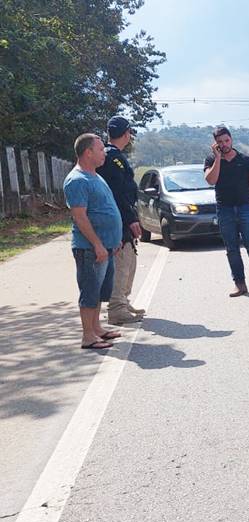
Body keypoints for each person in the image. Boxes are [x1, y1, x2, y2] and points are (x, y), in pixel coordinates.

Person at [64, 134, 124, 349]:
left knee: (99, 291)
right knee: (89, 291)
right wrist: (98, 244)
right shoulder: (77, 180)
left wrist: (113, 240)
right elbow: (80, 216)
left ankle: (97, 329)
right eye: (100, 149)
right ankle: (88, 336)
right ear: (88, 152)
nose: (104, 153)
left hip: (106, 246)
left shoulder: (95, 176)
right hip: (89, 248)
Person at [203, 126, 249, 297]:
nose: (224, 144)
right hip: (225, 210)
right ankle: (239, 284)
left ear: (231, 139)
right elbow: (211, 180)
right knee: (232, 249)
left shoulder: (245, 160)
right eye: (219, 142)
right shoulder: (211, 160)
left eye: (226, 140)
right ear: (215, 144)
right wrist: (218, 159)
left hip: (245, 208)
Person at [98, 116, 145, 324]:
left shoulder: (113, 155)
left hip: (122, 216)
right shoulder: (112, 158)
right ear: (127, 134)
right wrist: (130, 218)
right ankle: (116, 307)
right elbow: (118, 192)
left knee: (130, 260)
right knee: (122, 262)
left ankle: (123, 301)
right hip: (119, 218)